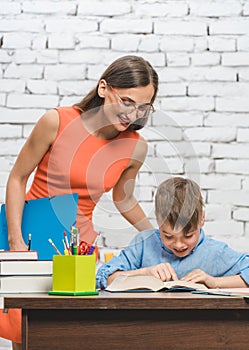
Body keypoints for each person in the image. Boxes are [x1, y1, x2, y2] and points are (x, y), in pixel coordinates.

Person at [1, 55, 159, 348]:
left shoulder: (136, 146)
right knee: (26, 335)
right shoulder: (57, 121)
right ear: (103, 88)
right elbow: (17, 178)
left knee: (73, 334)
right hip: (33, 240)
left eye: (143, 107)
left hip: (81, 251)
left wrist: (155, 237)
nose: (132, 114)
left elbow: (123, 198)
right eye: (126, 101)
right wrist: (16, 243)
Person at [96, 177, 249, 290]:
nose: (179, 245)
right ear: (157, 218)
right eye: (168, 236)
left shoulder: (216, 252)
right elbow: (103, 277)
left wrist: (215, 282)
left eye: (188, 236)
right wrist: (144, 273)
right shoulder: (144, 244)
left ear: (202, 219)